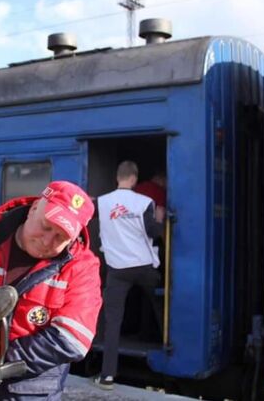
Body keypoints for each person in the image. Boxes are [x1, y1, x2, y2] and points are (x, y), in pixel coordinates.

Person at [0, 180, 101, 400]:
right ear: (35, 207)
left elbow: (73, 339)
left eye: (61, 237)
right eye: (46, 226)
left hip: (28, 390)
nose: (47, 240)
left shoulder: (82, 268)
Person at [94, 161, 163, 390]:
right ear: (134, 179)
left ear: (117, 177)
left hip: (117, 270)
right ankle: (166, 345)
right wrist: (160, 221)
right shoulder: (145, 203)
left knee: (113, 322)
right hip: (144, 267)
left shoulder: (102, 203)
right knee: (161, 304)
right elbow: (154, 233)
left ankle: (107, 377)